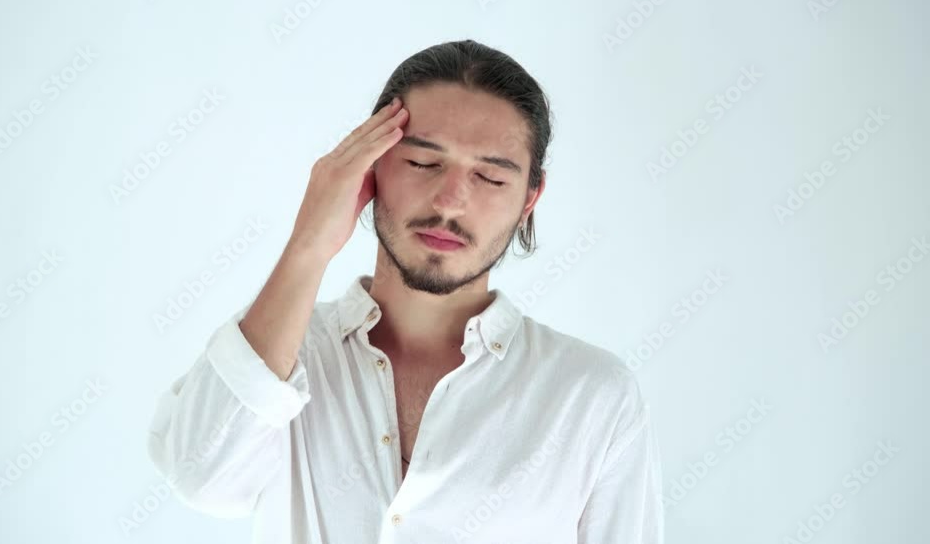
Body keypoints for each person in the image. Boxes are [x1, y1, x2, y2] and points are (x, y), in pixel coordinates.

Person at [147, 39, 663, 543]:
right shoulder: (284, 353)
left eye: (489, 177)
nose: (450, 201)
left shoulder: (592, 396)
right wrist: (308, 245)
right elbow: (201, 478)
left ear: (530, 199)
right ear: (369, 167)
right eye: (422, 163)